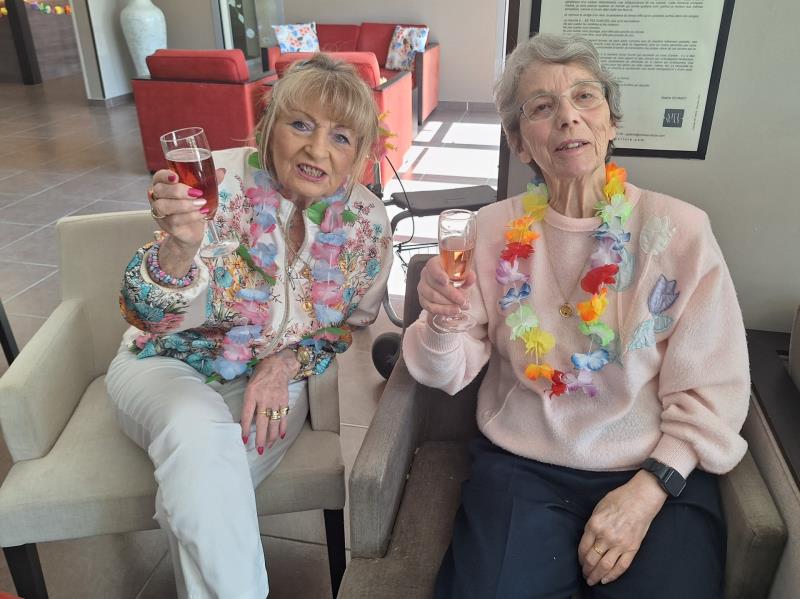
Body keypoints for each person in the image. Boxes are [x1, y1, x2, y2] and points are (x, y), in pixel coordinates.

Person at [403, 33, 749, 598]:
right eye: (542, 106)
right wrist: (442, 319)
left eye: (585, 97)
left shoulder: (681, 232)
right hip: (521, 466)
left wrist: (650, 488)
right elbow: (446, 373)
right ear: (520, 143)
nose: (568, 116)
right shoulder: (490, 231)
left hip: (650, 471)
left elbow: (715, 386)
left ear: (611, 123)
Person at [105, 54, 392, 599]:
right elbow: (146, 317)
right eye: (300, 124)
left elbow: (343, 328)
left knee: (198, 491)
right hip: (164, 363)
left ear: (358, 153)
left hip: (278, 379)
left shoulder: (368, 224)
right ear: (268, 126)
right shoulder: (214, 183)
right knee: (198, 438)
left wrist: (284, 363)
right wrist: (178, 249)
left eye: (340, 136)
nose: (316, 150)